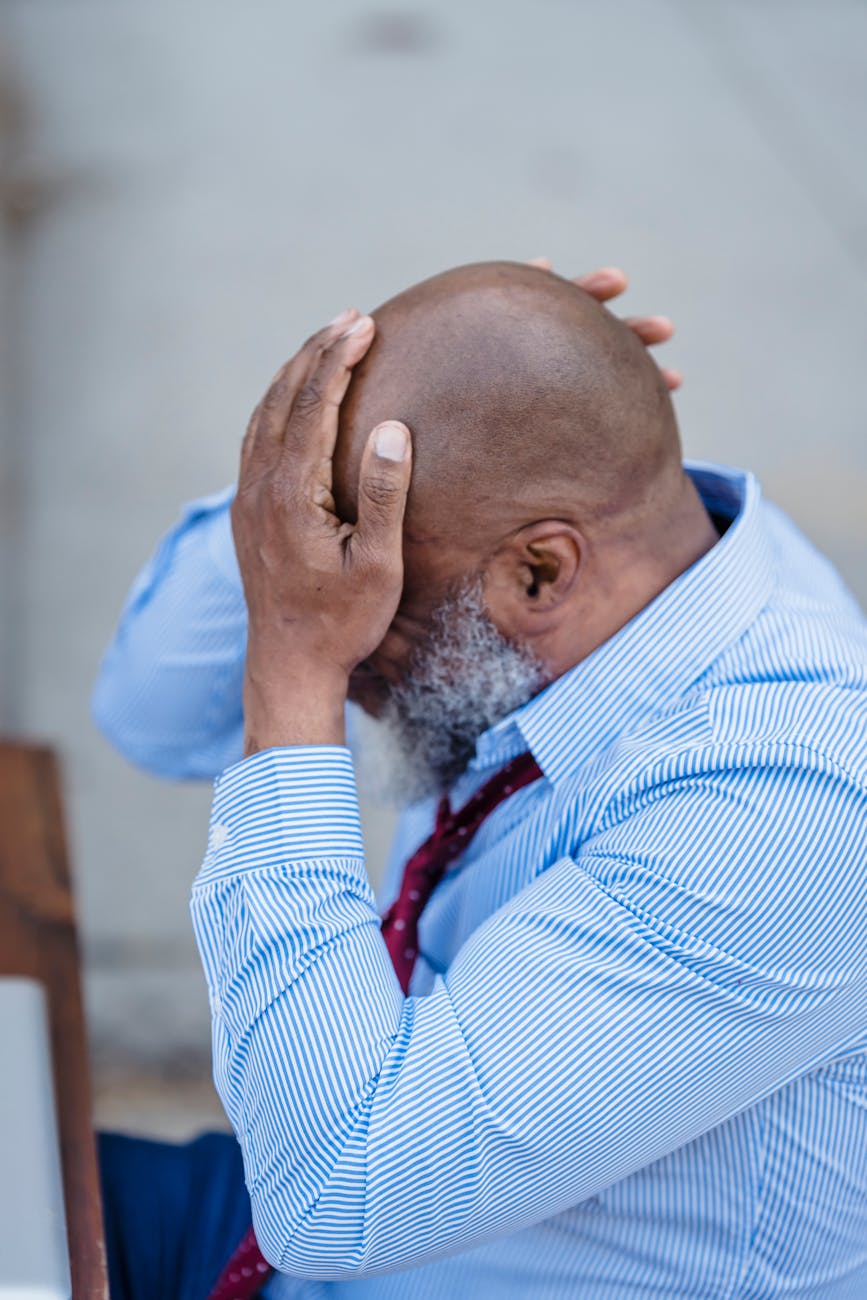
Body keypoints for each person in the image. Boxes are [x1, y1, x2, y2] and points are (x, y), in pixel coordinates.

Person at [93, 261, 867, 1300]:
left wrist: (295, 662)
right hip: (301, 1225)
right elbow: (149, 711)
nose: (351, 665)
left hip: (345, 1201)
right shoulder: (625, 528)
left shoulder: (787, 809)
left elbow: (335, 1191)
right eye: (330, 601)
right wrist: (313, 464)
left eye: (379, 618)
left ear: (540, 573)